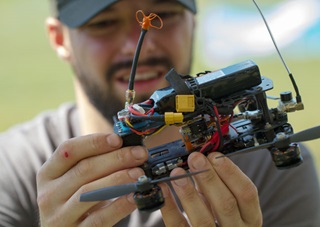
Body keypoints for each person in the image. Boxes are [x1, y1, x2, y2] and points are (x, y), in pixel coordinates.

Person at [0, 0, 319, 226]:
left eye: (164, 13)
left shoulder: (272, 172)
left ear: (194, 22)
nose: (139, 45)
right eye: (104, 23)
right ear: (60, 38)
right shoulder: (13, 169)